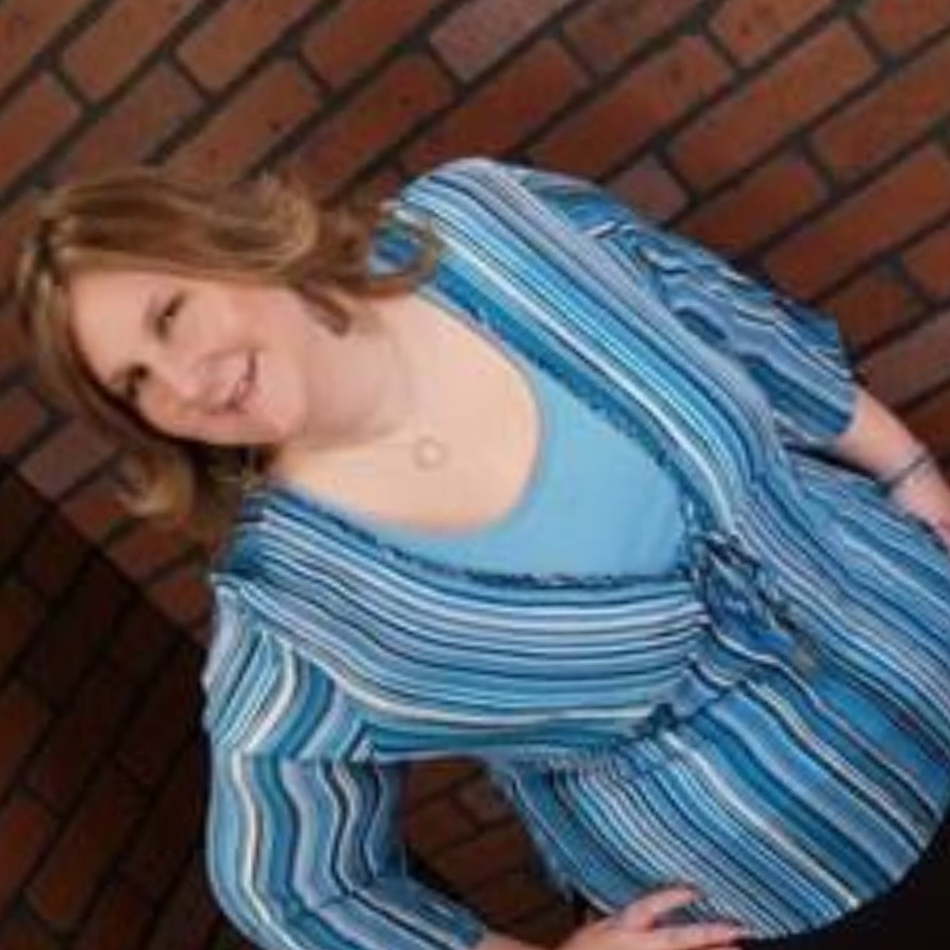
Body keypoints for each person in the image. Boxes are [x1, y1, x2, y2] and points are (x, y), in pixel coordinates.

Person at [14, 156, 950, 950]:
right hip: (806, 879)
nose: (184, 382)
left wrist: (906, 465)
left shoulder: (488, 224)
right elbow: (290, 890)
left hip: (921, 626)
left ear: (223, 243)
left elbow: (720, 316)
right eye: (136, 384)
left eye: (170, 316)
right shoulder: (295, 609)